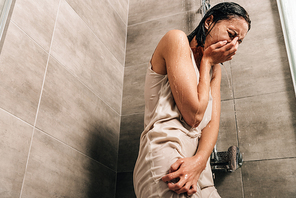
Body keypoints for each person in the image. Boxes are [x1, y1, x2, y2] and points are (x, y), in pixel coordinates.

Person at [133, 2, 251, 198]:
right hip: (167, 155)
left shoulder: (216, 70)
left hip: (199, 167)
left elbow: (212, 123)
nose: (234, 46)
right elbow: (194, 116)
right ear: (209, 21)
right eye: (231, 35)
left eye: (240, 41)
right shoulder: (176, 40)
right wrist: (206, 62)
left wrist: (199, 161)